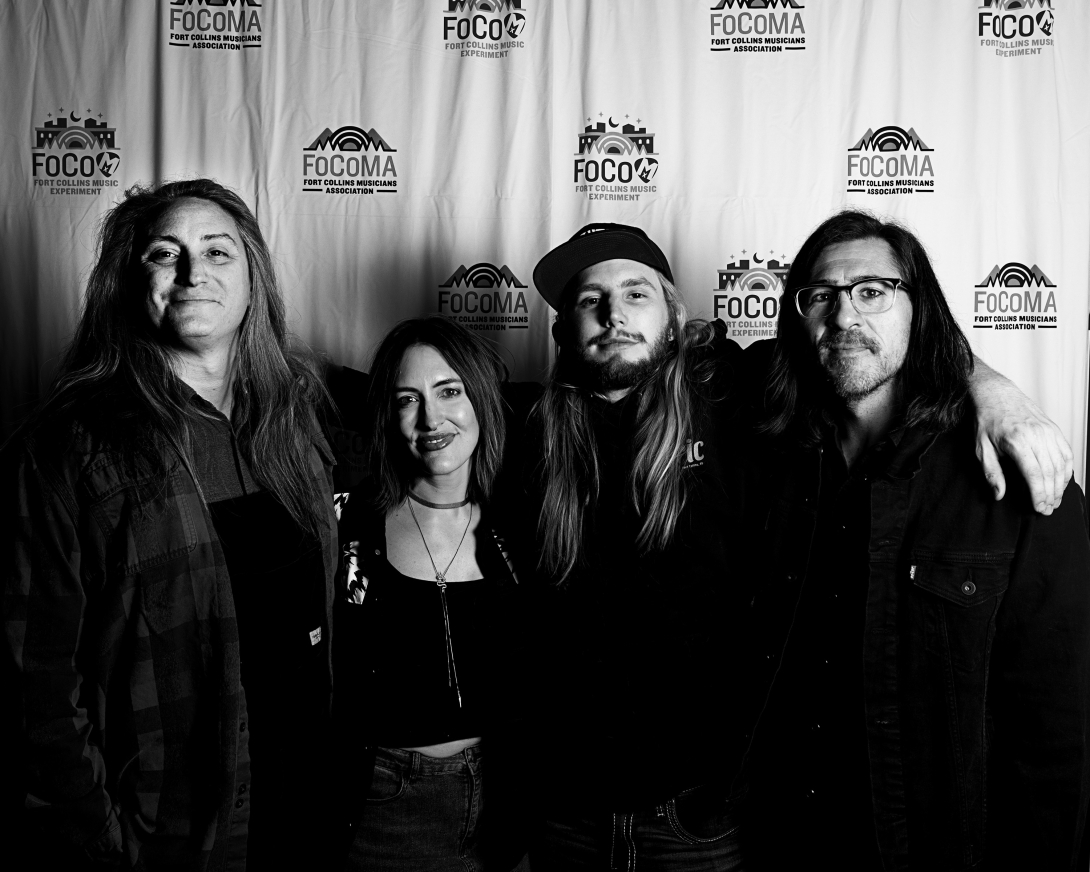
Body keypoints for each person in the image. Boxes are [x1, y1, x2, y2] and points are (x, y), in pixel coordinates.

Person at [513, 222, 1077, 870]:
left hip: (697, 818)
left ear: (675, 316)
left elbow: (856, 351)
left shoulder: (732, 394)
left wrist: (988, 386)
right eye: (589, 300)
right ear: (562, 330)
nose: (613, 314)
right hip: (563, 813)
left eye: (636, 292)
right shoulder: (524, 434)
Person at [1, 179, 339, 870]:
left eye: (219, 252)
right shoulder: (67, 446)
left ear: (253, 283)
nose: (194, 273)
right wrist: (97, 840)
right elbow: (30, 679)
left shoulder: (293, 424)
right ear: (129, 282)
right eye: (166, 254)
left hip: (301, 813)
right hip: (171, 831)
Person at [747, 209, 1090, 869]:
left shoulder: (1016, 486)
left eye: (872, 292)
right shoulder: (769, 462)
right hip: (784, 843)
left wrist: (991, 390)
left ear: (919, 310)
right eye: (821, 296)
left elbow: (1054, 741)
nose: (844, 317)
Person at [334, 316, 524, 871]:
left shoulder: (522, 524)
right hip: (383, 808)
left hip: (502, 803)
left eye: (449, 391)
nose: (431, 418)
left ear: (481, 400)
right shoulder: (351, 523)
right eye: (407, 399)